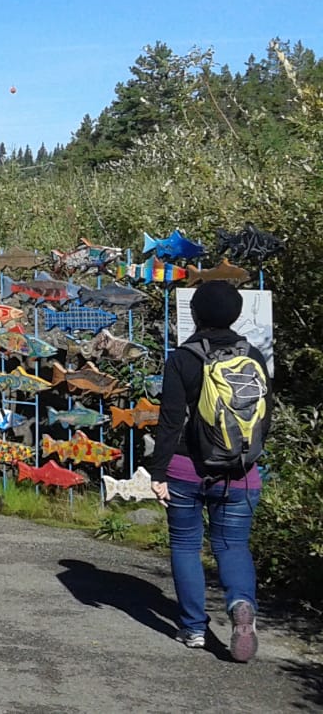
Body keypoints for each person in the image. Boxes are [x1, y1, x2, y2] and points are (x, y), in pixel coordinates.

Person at [149, 280, 264, 662]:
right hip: (240, 471)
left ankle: (195, 629)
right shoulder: (254, 357)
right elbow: (264, 418)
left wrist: (158, 472)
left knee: (185, 545)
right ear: (236, 314)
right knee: (232, 546)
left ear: (195, 313)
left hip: (185, 469)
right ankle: (241, 605)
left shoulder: (183, 358)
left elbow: (169, 421)